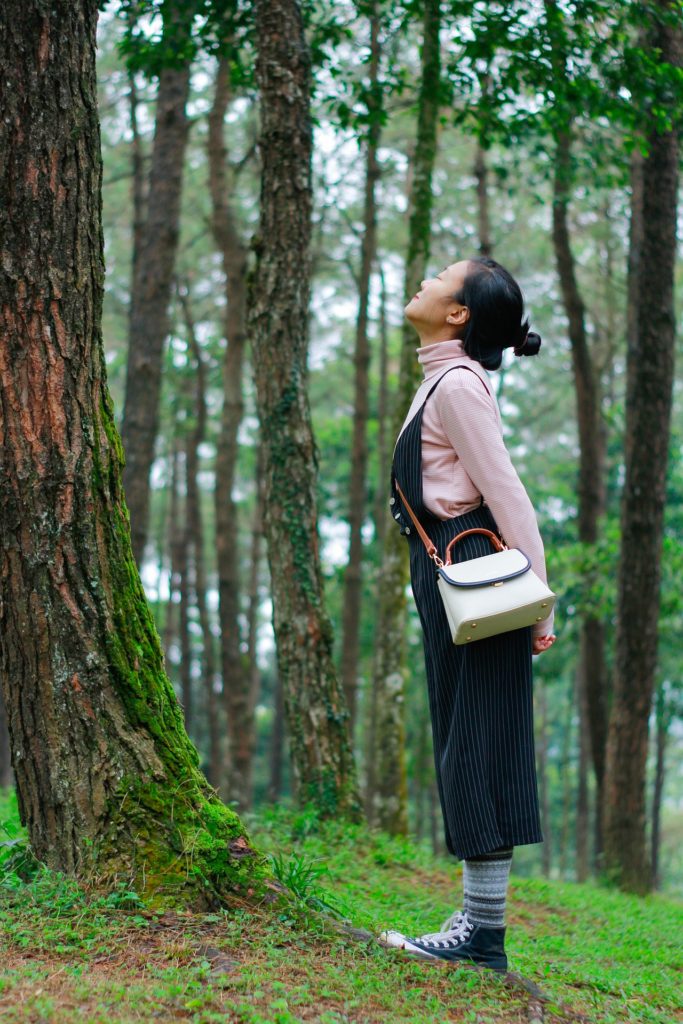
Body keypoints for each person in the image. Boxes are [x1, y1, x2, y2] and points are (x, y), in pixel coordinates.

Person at [378, 256, 556, 973]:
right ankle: (478, 929)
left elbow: (506, 492)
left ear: (457, 314)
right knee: (467, 735)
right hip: (453, 566)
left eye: (438, 279)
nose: (422, 280)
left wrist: (538, 596)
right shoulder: (444, 378)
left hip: (477, 567)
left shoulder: (456, 385)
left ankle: (481, 936)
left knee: (475, 741)